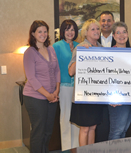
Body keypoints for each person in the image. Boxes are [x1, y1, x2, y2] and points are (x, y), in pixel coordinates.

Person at [23, 20, 60, 153]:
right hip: (35, 98)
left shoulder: (51, 49)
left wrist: (56, 91)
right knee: (38, 132)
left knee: (48, 132)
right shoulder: (29, 52)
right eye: (40, 31)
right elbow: (31, 78)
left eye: (45, 31)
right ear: (33, 34)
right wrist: (48, 95)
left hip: (52, 97)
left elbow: (57, 70)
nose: (43, 34)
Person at [68, 19, 103, 146]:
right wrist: (83, 54)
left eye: (98, 29)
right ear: (86, 32)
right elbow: (71, 71)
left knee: (93, 127)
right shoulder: (80, 47)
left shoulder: (101, 48)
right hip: (84, 95)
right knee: (84, 128)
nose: (96, 31)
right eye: (93, 29)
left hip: (97, 95)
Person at [53, 19, 79, 150]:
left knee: (77, 118)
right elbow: (54, 69)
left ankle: (76, 147)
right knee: (65, 117)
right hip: (64, 87)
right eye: (67, 29)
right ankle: (66, 148)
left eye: (73, 29)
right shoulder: (56, 46)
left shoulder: (79, 45)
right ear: (63, 31)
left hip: (78, 88)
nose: (70, 32)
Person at [107, 21, 131, 140]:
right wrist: (110, 97)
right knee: (116, 131)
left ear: (127, 34)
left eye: (124, 32)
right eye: (118, 32)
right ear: (113, 36)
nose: (121, 35)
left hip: (129, 98)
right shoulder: (108, 54)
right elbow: (105, 77)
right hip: (116, 99)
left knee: (123, 131)